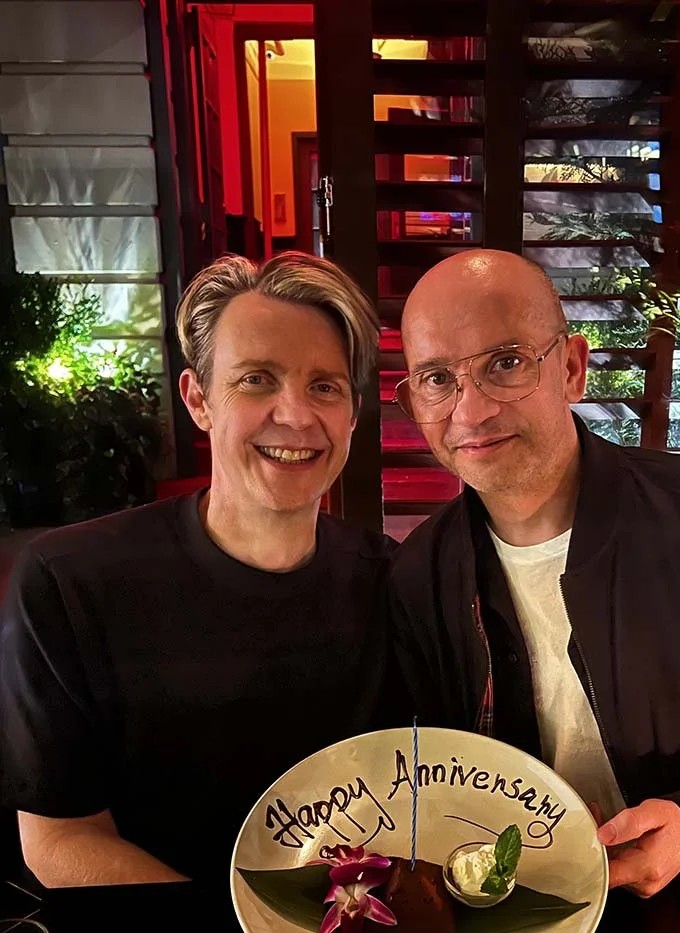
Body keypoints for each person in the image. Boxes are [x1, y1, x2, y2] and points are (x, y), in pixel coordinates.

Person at [389, 248, 680, 898]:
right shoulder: (419, 579)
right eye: (438, 378)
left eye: (506, 363)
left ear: (572, 369)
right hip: (521, 922)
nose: (470, 412)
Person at [0, 252, 394, 888]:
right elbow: (60, 839)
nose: (296, 416)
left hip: (353, 930)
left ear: (351, 414)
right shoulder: (68, 581)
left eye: (325, 386)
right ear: (198, 399)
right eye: (257, 379)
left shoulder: (393, 584)